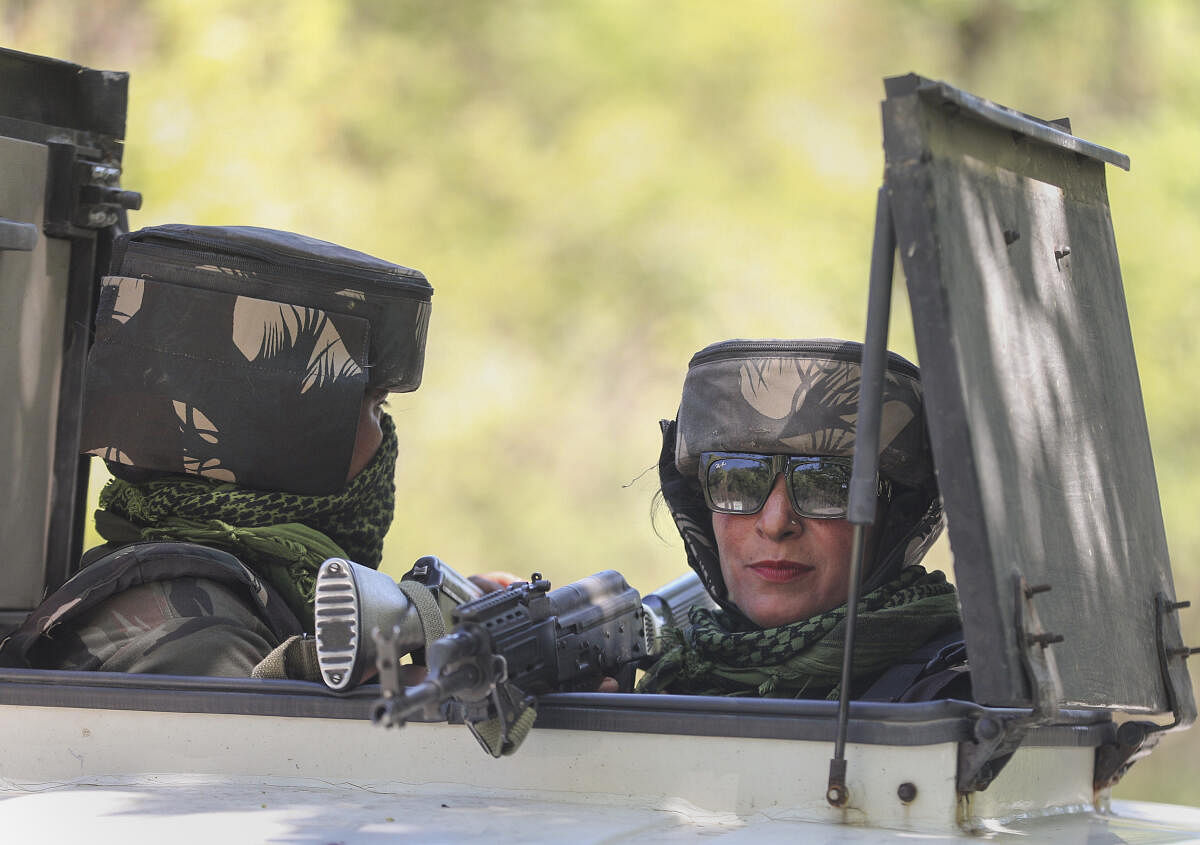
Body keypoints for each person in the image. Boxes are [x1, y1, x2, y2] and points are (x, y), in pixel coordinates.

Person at [0, 224, 467, 678]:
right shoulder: (202, 635)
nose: (383, 437)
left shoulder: (203, 587)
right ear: (281, 426)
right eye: (374, 406)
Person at [636, 338, 969, 701]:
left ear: (895, 521)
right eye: (738, 482)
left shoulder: (954, 693)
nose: (777, 524)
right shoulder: (679, 676)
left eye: (826, 486)